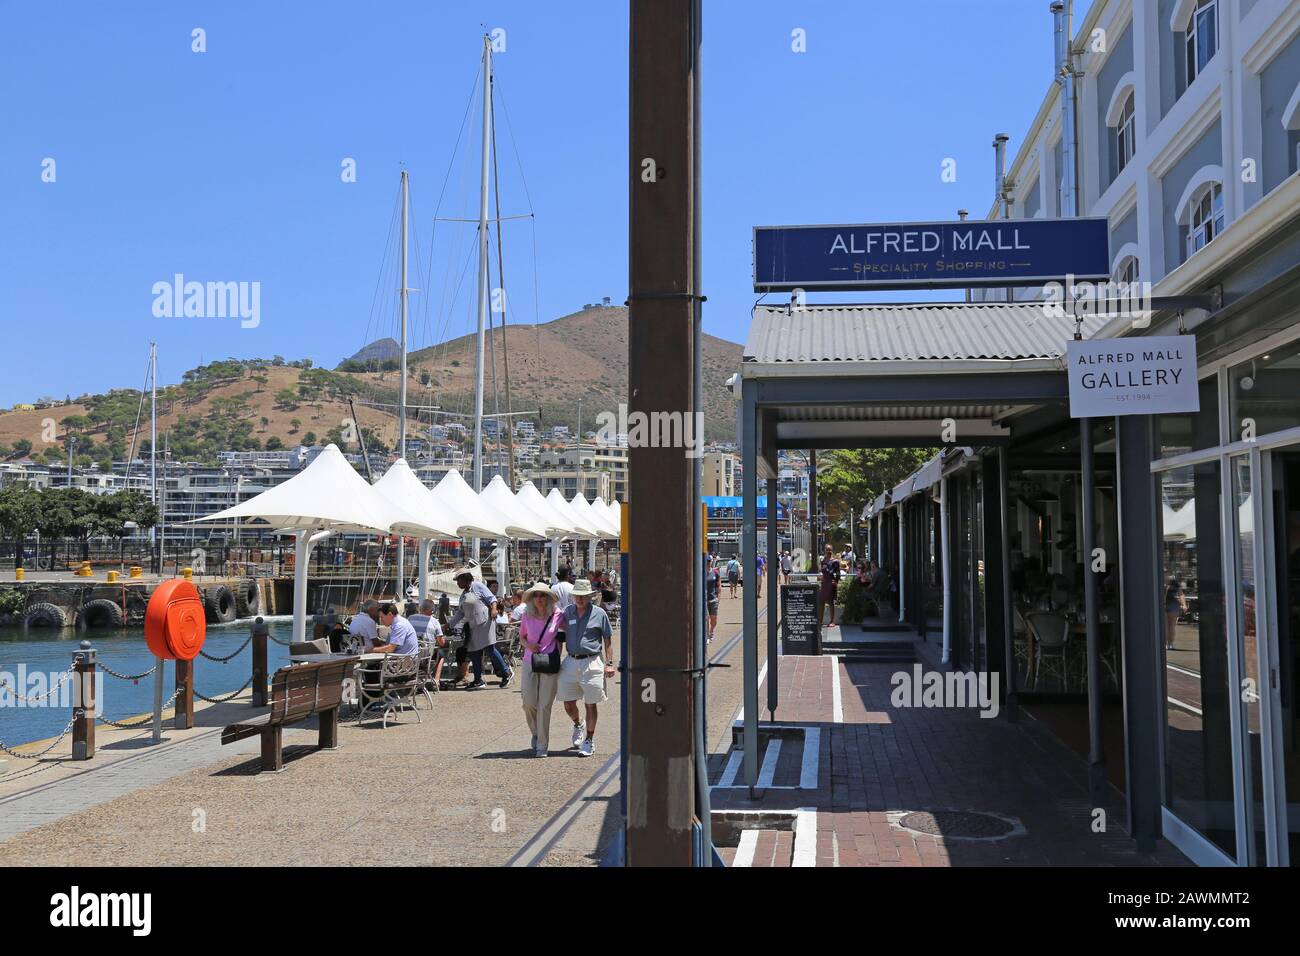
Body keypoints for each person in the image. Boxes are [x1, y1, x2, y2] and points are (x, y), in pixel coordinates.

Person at [558, 579, 614, 757]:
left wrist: (609, 664)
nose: (580, 599)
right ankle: (578, 723)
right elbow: (558, 635)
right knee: (568, 703)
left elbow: (607, 639)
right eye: (577, 595)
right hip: (571, 660)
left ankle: (589, 739)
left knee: (590, 703)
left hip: (592, 661)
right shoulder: (567, 612)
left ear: (590, 596)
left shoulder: (599, 613)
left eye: (583, 596)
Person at [519, 581, 565, 757]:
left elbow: (568, 631)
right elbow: (521, 637)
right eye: (536, 595)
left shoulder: (557, 615)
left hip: (550, 661)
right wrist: (529, 645)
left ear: (548, 598)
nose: (539, 598)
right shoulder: (527, 615)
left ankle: (542, 746)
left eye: (543, 595)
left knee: (544, 705)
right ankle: (536, 733)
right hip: (530, 660)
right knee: (528, 703)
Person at [445, 574, 513, 689]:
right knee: (473, 652)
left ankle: (506, 673)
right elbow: (460, 613)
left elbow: (492, 598)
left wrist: (494, 609)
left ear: (465, 579)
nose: (457, 583)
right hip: (473, 625)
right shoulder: (463, 595)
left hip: (485, 622)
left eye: (459, 580)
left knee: (489, 648)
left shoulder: (477, 586)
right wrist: (449, 624)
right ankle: (478, 680)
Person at [819, 544, 841, 628]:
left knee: (830, 602)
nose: (828, 551)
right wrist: (821, 577)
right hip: (824, 582)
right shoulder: (823, 560)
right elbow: (822, 571)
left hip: (831, 582)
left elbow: (838, 573)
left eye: (829, 549)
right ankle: (820, 621)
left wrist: (836, 581)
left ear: (832, 550)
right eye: (826, 549)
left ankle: (832, 621)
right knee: (821, 601)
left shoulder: (835, 561)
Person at [1164, 577, 1186, 651]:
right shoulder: (1157, 580)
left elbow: (1181, 594)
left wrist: (1184, 604)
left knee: (1171, 626)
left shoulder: (1174, 582)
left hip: (1172, 605)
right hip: (1162, 605)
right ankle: (1166, 643)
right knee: (1165, 626)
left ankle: (1170, 643)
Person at [705, 556, 720, 642]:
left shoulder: (715, 573)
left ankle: (711, 631)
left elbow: (718, 587)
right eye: (707, 561)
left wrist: (718, 598)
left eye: (709, 561)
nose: (708, 563)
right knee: (706, 618)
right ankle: (707, 636)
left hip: (713, 599)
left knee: (713, 619)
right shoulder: (701, 572)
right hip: (704, 600)